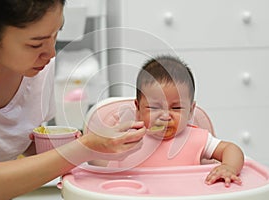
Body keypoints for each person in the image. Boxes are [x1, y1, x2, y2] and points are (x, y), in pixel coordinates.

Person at [0, 0, 146, 199]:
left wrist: (102, 147)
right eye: (35, 44)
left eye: (56, 34)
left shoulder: (38, 68)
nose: (51, 53)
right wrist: (86, 147)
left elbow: (14, 141)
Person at [91, 55, 244, 187]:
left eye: (176, 108)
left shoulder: (197, 138)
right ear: (138, 109)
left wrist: (229, 167)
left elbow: (231, 149)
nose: (165, 115)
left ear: (191, 110)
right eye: (155, 107)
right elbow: (95, 163)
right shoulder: (128, 138)